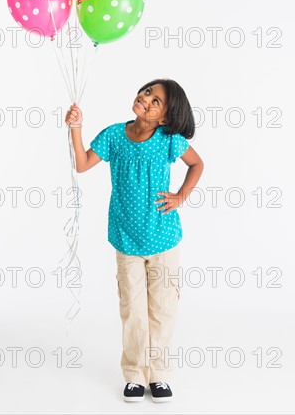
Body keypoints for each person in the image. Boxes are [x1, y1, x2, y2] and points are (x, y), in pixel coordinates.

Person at [65, 78, 204, 403]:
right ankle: (134, 375)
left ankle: (159, 375)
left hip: (164, 238)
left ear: (165, 118)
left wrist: (181, 196)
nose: (146, 99)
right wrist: (76, 127)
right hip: (126, 239)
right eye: (147, 92)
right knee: (134, 311)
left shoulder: (169, 140)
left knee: (163, 309)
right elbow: (83, 164)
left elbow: (197, 164)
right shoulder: (114, 135)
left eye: (156, 101)